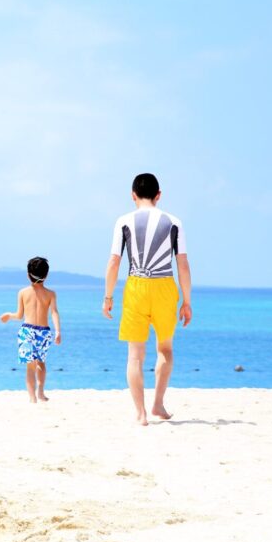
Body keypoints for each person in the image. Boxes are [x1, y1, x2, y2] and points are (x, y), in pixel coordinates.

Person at [102, 173, 192, 425]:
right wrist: (186, 301)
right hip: (164, 286)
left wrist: (108, 296)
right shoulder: (174, 222)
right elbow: (182, 265)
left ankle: (140, 413)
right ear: (159, 195)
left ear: (133, 195)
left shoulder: (123, 221)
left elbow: (114, 262)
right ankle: (158, 404)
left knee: (134, 355)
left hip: (136, 286)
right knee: (165, 349)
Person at [0, 257, 62, 403]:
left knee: (30, 367)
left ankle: (32, 398)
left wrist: (9, 315)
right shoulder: (51, 294)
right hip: (44, 331)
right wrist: (58, 331)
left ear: (28, 275)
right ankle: (40, 391)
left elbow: (20, 315)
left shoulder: (23, 292)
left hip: (27, 331)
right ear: (46, 275)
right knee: (41, 363)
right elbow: (54, 312)